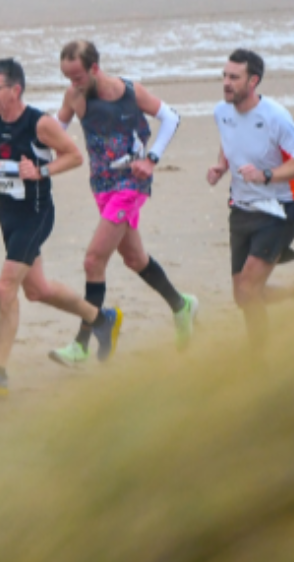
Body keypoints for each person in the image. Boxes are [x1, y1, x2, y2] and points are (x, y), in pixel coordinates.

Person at [0, 58, 120, 397]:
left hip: (35, 215)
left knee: (5, 289)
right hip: (7, 215)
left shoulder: (40, 123)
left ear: (15, 90)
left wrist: (40, 171)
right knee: (37, 290)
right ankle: (101, 319)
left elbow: (74, 156)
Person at [49, 40, 197, 368]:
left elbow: (171, 118)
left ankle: (82, 344)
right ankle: (181, 305)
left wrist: (152, 159)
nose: (74, 84)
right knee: (134, 258)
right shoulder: (74, 96)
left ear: (94, 68)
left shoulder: (130, 92)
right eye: (68, 78)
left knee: (93, 261)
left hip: (131, 183)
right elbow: (54, 129)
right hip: (101, 185)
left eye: (78, 77)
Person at [205, 48, 294, 353]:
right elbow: (229, 140)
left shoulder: (275, 117)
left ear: (253, 81)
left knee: (249, 290)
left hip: (278, 211)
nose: (226, 83)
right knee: (242, 295)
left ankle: (258, 359)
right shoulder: (221, 111)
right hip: (241, 209)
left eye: (234, 77)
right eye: (224, 76)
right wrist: (221, 165)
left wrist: (266, 175)